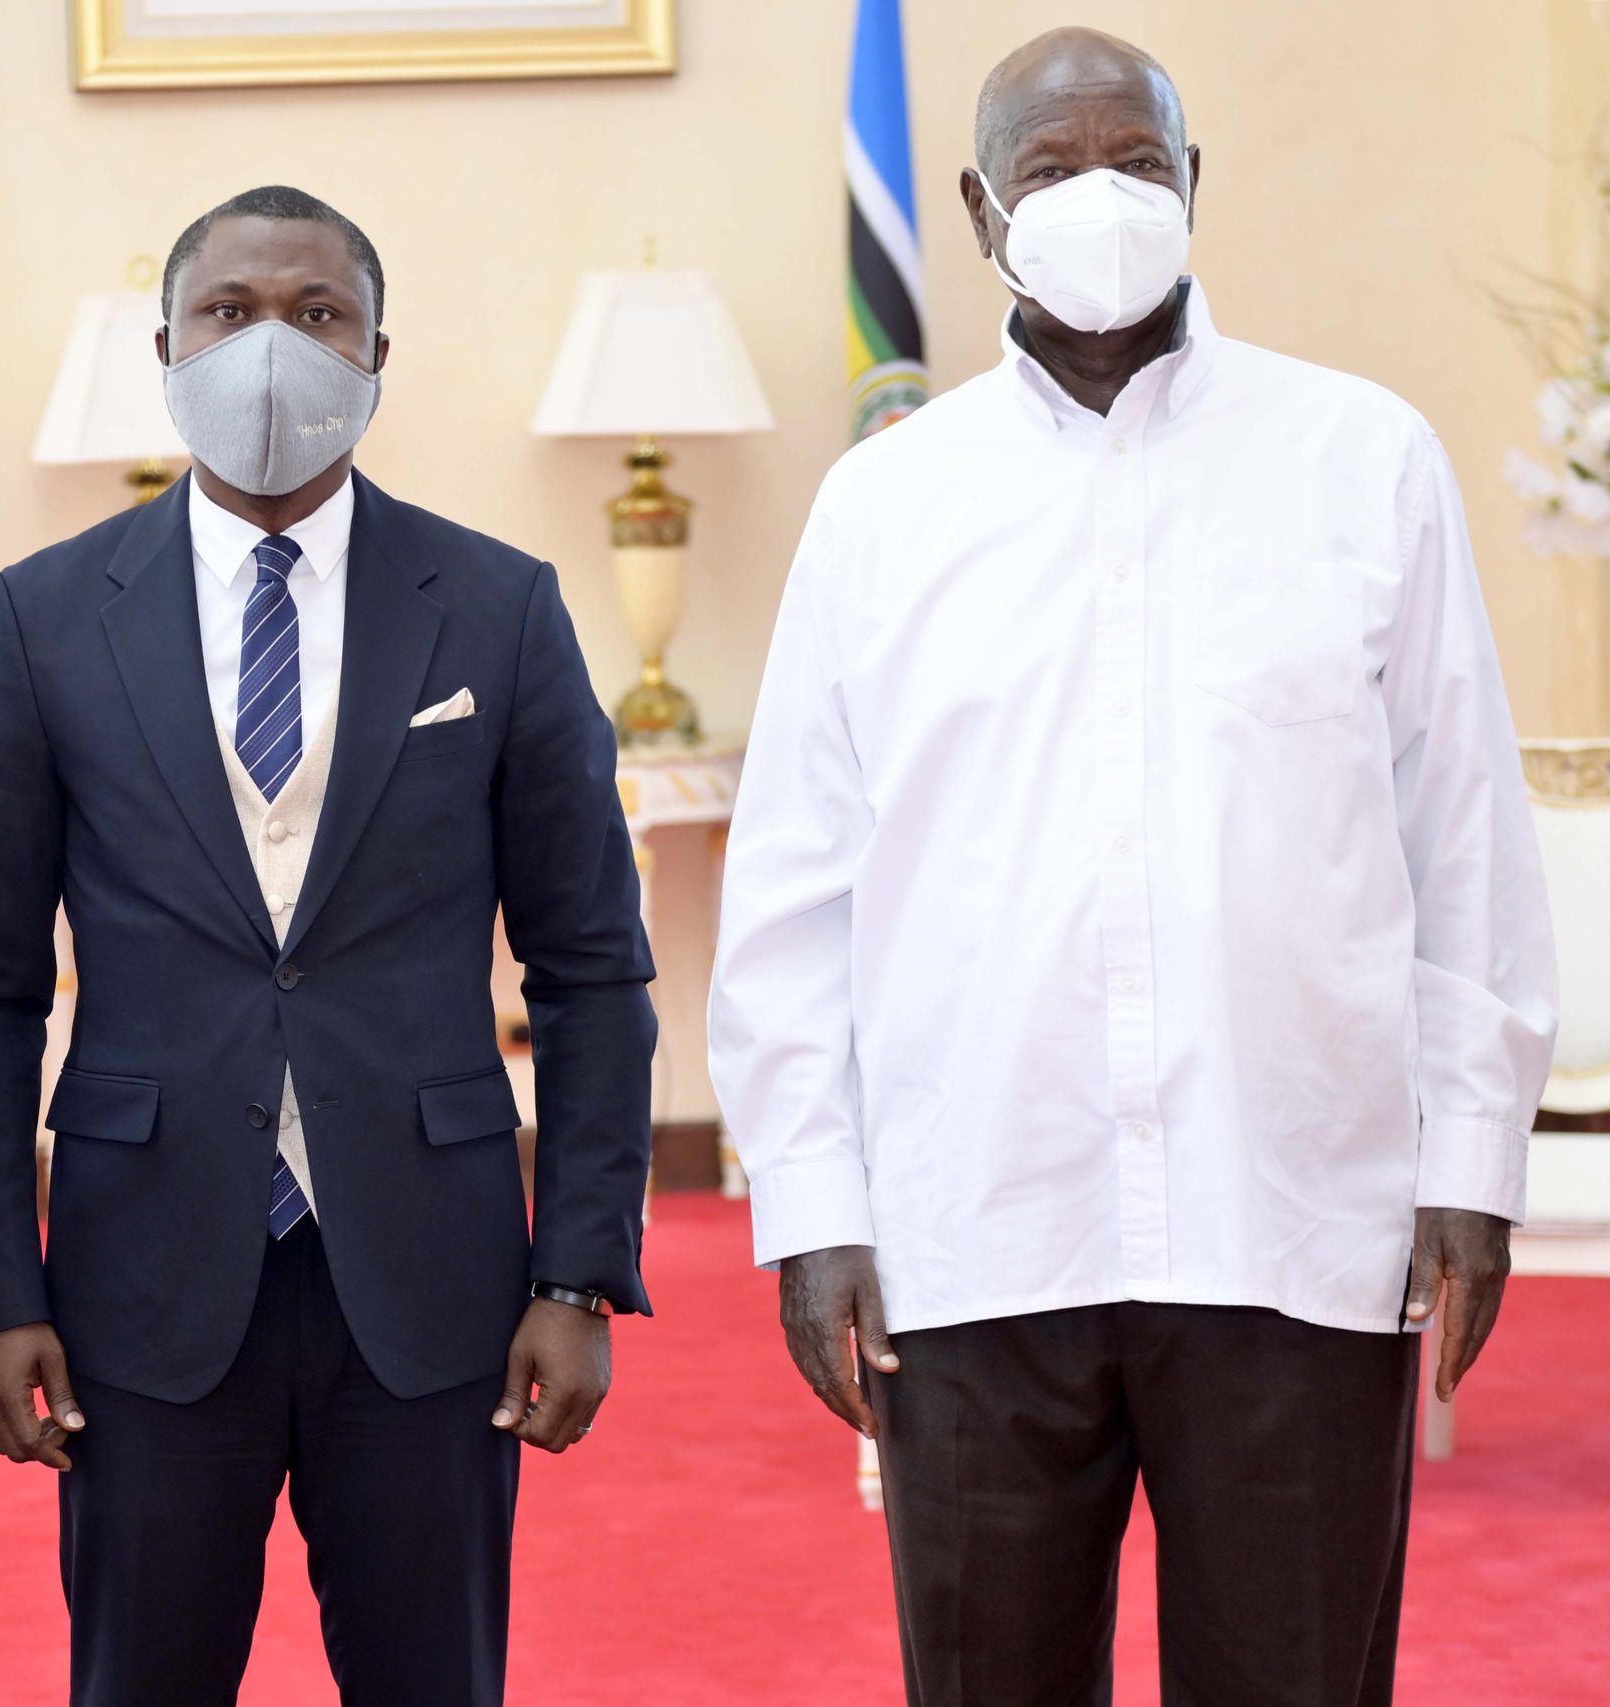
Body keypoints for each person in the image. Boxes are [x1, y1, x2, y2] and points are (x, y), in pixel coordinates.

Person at [709, 30, 1556, 1707]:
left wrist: (1471, 1158)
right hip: (976, 1232)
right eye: (1049, 171)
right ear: (976, 209)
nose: (1098, 199)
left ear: (1193, 184)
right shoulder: (883, 506)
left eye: (1134, 164)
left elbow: (1460, 832)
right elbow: (795, 887)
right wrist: (812, 1202)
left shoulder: (1361, 457)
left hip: (1294, 1220)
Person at [0, 184, 655, 1706]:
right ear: (166, 348)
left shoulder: (501, 610)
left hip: (435, 1283)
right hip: (142, 1281)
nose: (274, 349)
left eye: (317, 316)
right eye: (231, 313)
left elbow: (589, 965)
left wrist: (580, 1273)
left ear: (379, 353)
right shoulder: (49, 619)